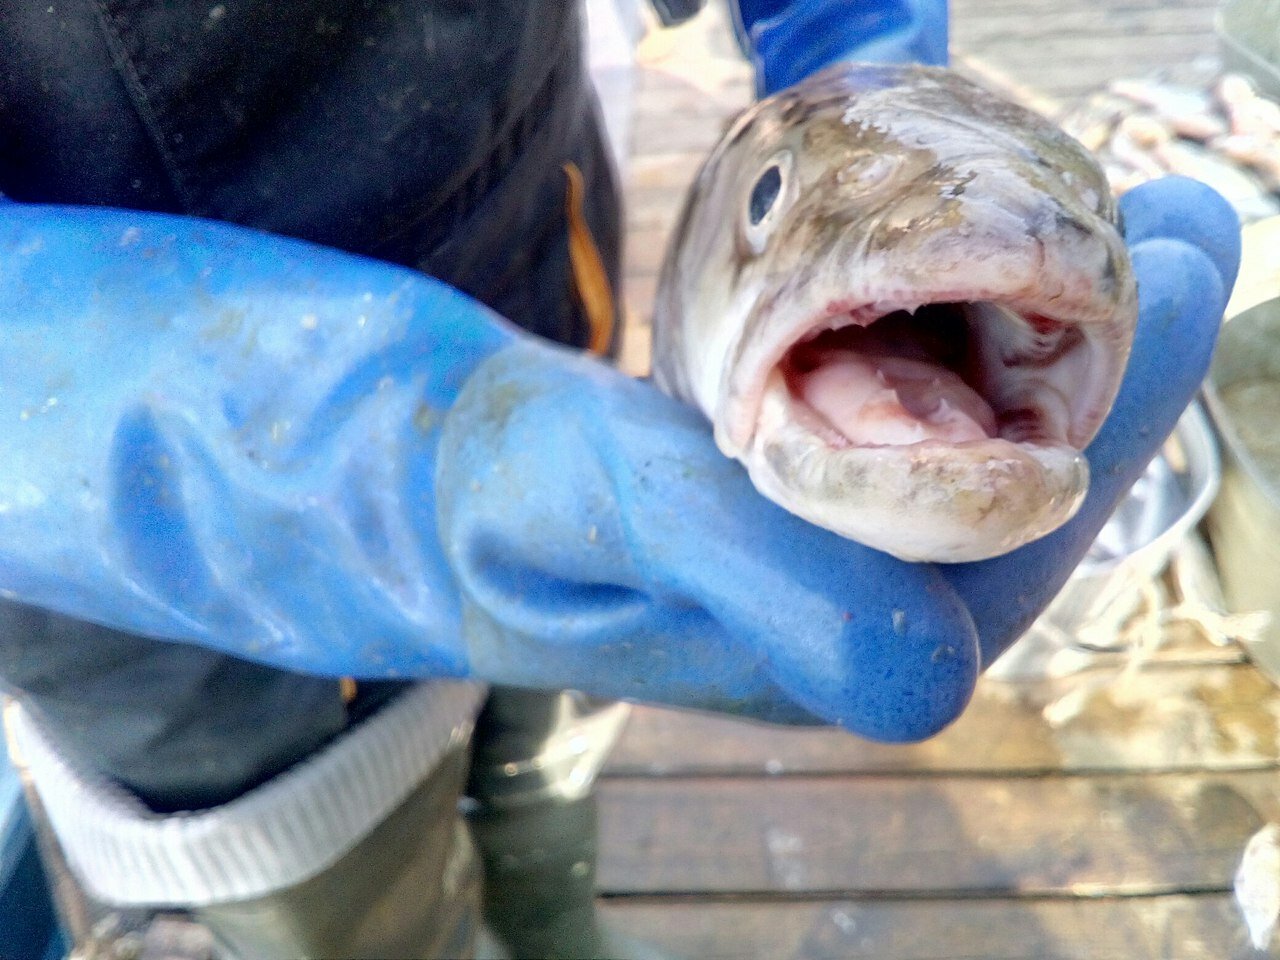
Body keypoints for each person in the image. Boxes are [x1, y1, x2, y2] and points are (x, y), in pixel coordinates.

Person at [0, 0, 1239, 957]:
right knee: (330, 893)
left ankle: (550, 916)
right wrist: (238, 436)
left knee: (558, 724)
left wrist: (851, 42)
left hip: (543, 266)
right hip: (127, 574)